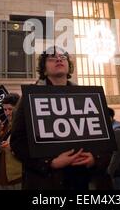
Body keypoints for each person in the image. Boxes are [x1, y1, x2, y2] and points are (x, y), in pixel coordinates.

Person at [10, 46, 111, 190]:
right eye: (52, 58)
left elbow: (105, 139)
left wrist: (95, 158)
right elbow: (18, 142)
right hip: (47, 182)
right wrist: (49, 162)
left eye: (63, 57)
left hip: (85, 181)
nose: (58, 59)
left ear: (69, 66)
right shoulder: (30, 98)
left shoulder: (87, 97)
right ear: (44, 69)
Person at [0, 93, 23, 190]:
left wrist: (12, 147)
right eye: (5, 109)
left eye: (10, 109)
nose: (7, 112)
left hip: (17, 177)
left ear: (17, 108)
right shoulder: (3, 125)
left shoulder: (23, 125)